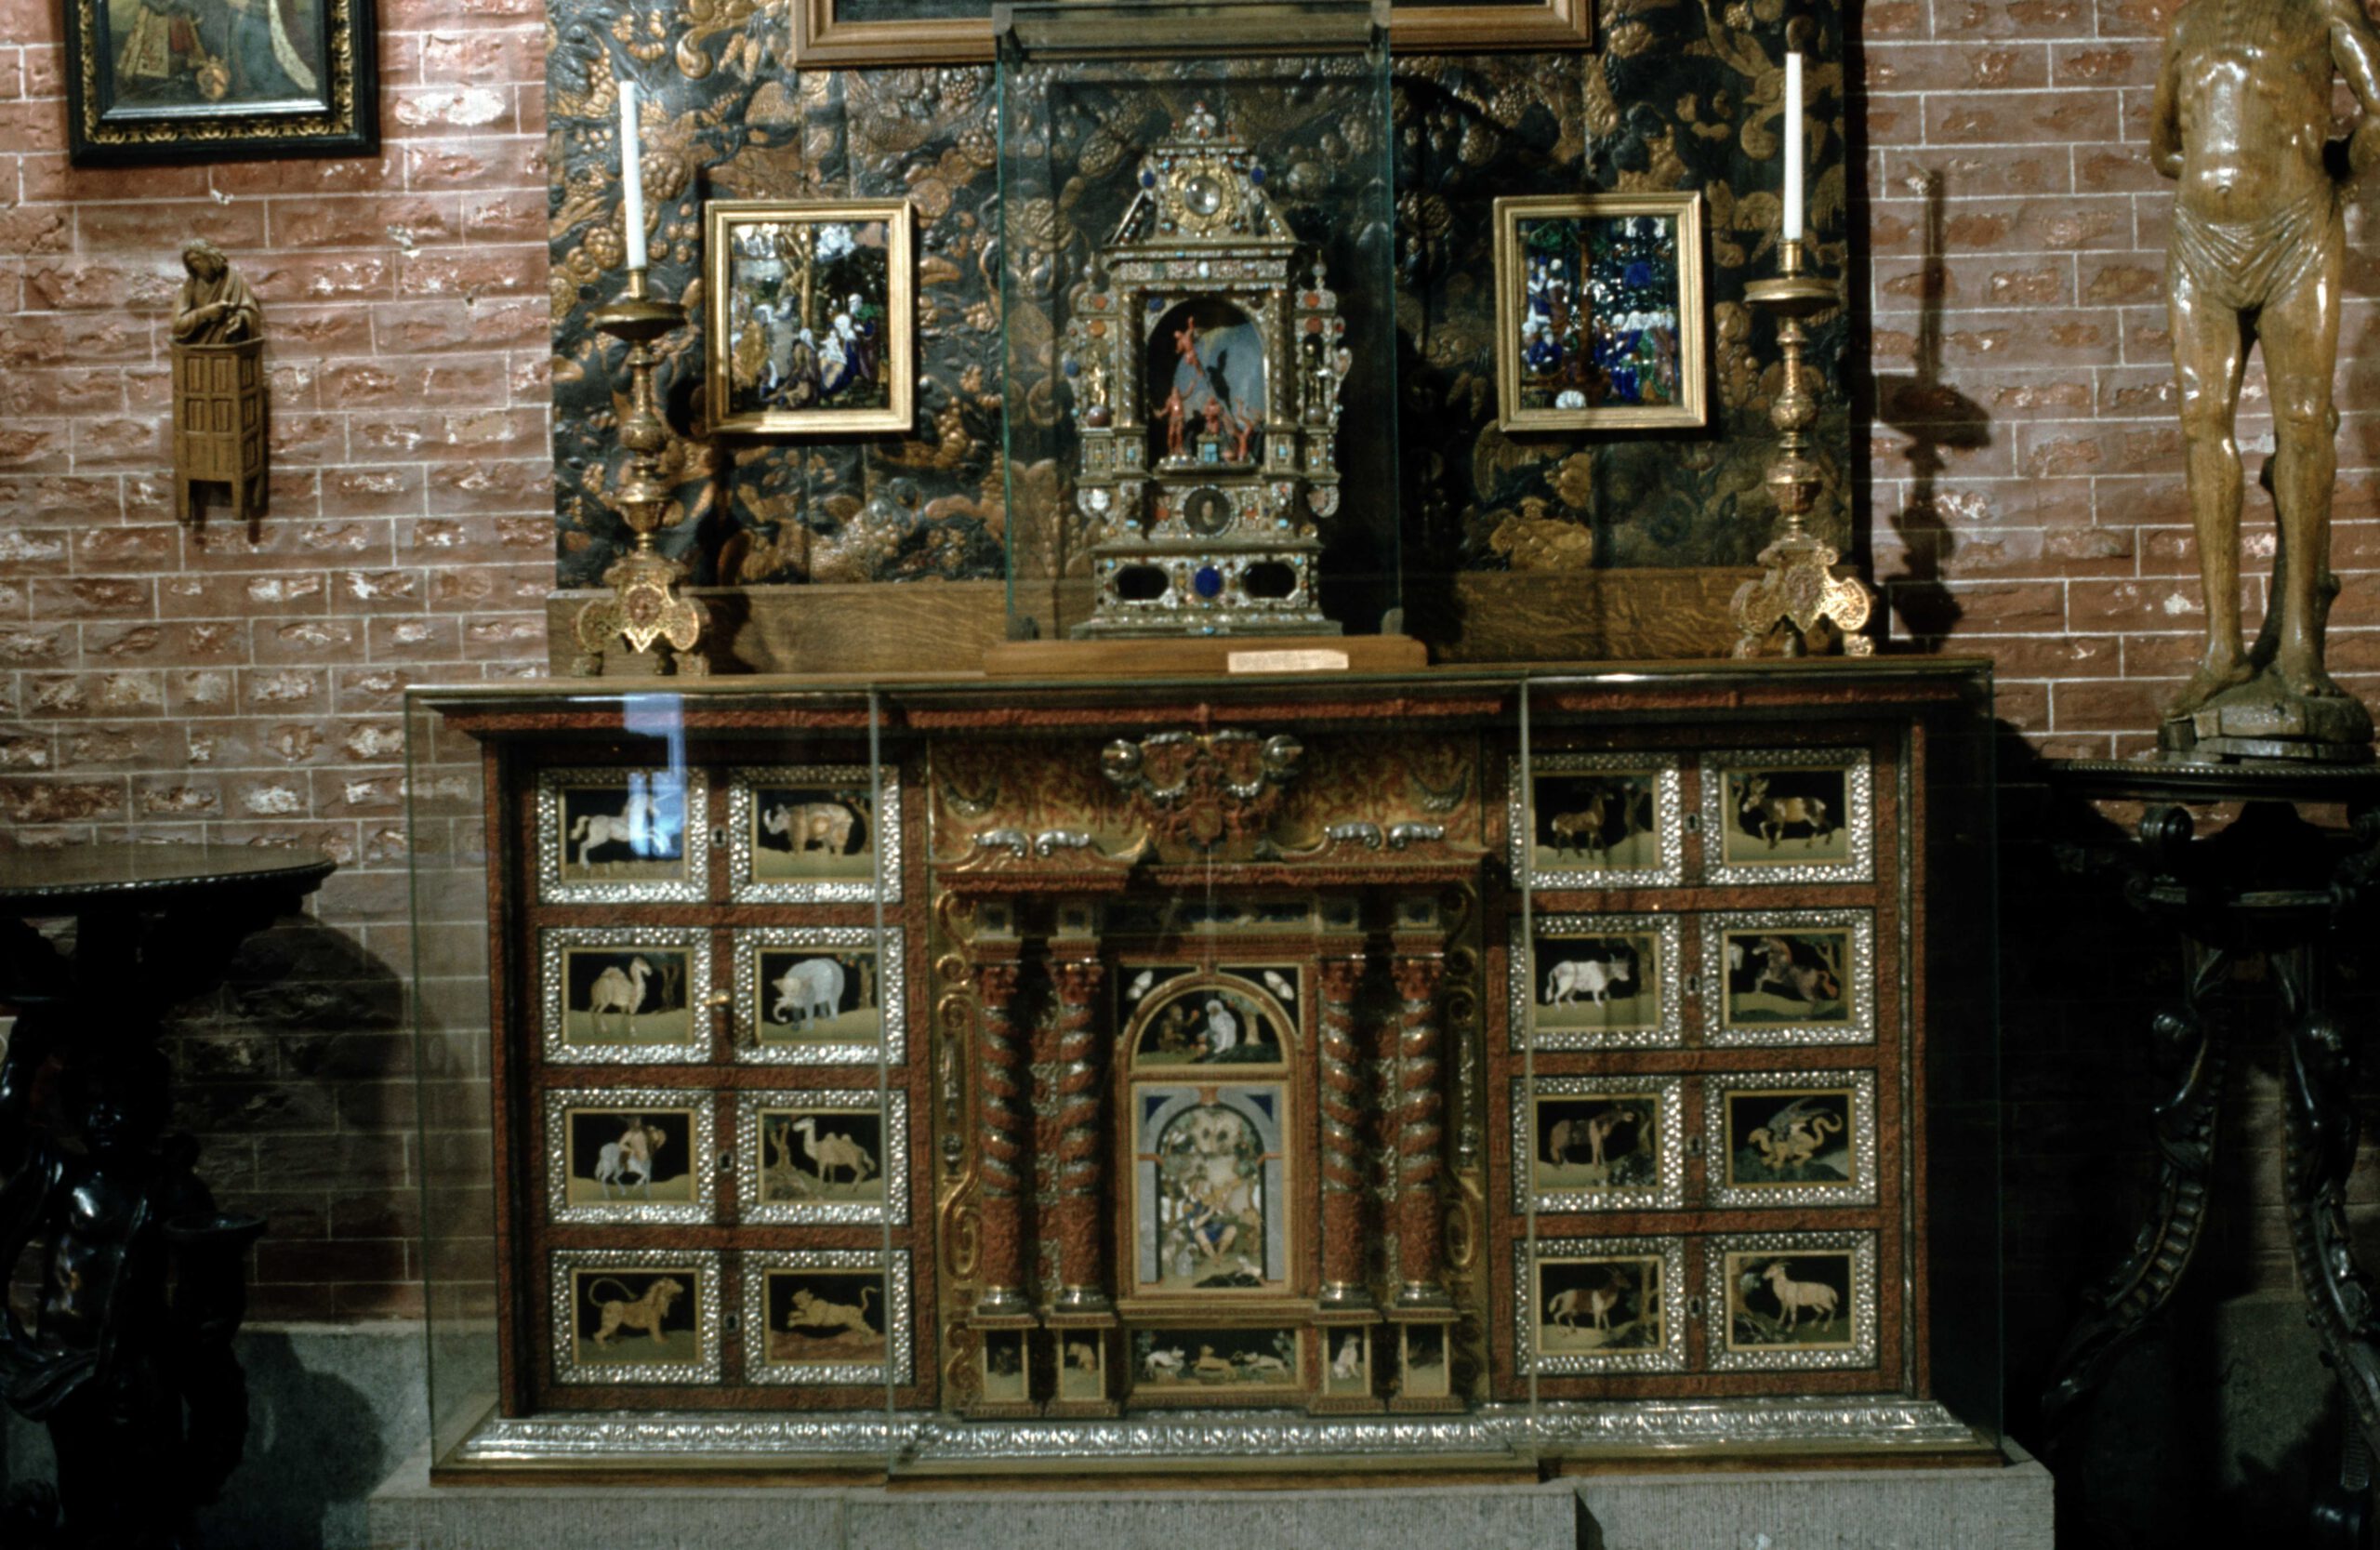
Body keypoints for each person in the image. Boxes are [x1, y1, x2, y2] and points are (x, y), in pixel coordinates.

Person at [2151, 0, 2380, 718]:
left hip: (2297, 234)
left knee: (2306, 422)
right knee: (2201, 419)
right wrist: (2222, 182)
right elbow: (2162, 144)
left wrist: (2331, 169)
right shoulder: (2188, 23)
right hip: (2201, 239)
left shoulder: (2323, 8)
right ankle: (2222, 646)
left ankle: (2301, 646)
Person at [170, 238, 260, 346]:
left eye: (197, 259)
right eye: (191, 262)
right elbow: (177, 326)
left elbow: (251, 312)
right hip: (197, 350)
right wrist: (205, 313)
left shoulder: (234, 279)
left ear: (210, 257)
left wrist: (240, 318)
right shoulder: (190, 285)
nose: (195, 265)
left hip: (227, 347)